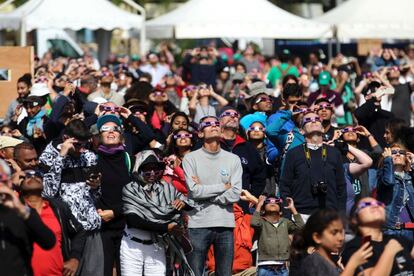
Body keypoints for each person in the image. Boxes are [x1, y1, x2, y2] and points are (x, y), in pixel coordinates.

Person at [39, 119, 104, 275]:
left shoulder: (89, 156)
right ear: (66, 139)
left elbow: (95, 195)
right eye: (78, 145)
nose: (83, 150)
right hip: (69, 231)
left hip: (91, 226)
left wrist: (96, 187)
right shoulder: (47, 156)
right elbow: (48, 192)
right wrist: (61, 157)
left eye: (85, 144)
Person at [182, 115, 242, 276]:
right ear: (200, 133)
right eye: (207, 124)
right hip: (198, 224)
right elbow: (194, 191)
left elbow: (235, 194)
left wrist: (204, 192)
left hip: (225, 224)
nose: (213, 126)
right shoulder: (190, 158)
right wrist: (223, 186)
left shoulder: (233, 159)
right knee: (194, 272)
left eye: (217, 123)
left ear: (222, 131)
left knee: (224, 273)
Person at [121, 150, 193, 275]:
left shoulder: (165, 187)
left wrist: (183, 204)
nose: (152, 173)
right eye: (147, 169)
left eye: (156, 169)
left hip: (157, 246)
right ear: (138, 168)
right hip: (132, 246)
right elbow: (133, 221)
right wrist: (167, 227)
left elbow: (190, 203)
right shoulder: (130, 188)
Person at [280, 112, 346, 219]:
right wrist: (288, 215)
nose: (313, 121)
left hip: (329, 213)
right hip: (300, 213)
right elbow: (285, 186)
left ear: (323, 129)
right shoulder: (293, 153)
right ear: (301, 131)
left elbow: (341, 186)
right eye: (308, 120)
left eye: (317, 119)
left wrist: (341, 215)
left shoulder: (334, 153)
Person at [21, 169, 86, 276]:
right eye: (27, 175)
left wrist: (74, 258)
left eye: (37, 175)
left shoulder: (58, 208)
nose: (33, 177)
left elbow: (80, 231)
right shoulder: (13, 209)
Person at [0, 159, 56, 276]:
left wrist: (21, 210)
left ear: (9, 183)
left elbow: (48, 242)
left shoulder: (22, 211)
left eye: (2, 180)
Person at [95, 114, 131, 276]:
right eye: (105, 129)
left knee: (126, 271)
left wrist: (115, 212)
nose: (110, 132)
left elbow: (136, 196)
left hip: (126, 224)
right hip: (101, 225)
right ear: (99, 135)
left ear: (121, 134)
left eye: (115, 129)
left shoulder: (128, 158)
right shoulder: (92, 158)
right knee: (104, 270)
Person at [342, 197, 414, 275]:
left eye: (379, 204)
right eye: (367, 204)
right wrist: (389, 251)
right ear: (354, 219)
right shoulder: (356, 247)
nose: (376, 206)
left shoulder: (397, 239)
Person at [290, 208, 373, 276]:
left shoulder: (331, 261)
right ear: (317, 237)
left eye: (341, 232)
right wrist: (352, 265)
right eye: (334, 232)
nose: (340, 238)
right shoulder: (313, 262)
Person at [218, 107, 267, 207]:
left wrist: (253, 196)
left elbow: (260, 176)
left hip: (241, 206)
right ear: (220, 121)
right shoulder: (211, 143)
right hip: (215, 204)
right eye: (228, 114)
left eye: (236, 115)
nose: (233, 116)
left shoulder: (248, 147)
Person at [251, 196, 304, 276]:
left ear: (281, 212)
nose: (272, 203)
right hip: (265, 266)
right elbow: (254, 223)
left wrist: (292, 208)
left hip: (282, 267)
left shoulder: (285, 222)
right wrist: (259, 205)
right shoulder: (262, 222)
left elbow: (301, 227)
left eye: (276, 202)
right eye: (269, 202)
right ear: (263, 209)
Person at [377, 145, 414, 242]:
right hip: (391, 230)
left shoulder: (410, 178)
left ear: (406, 158)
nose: (397, 154)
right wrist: (388, 160)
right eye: (393, 153)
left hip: (410, 230)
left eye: (401, 152)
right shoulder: (382, 175)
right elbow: (389, 181)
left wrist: (413, 163)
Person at [164, 128, 196, 195]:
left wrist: (176, 168)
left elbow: (193, 184)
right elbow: (166, 182)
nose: (183, 137)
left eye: (187, 135)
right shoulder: (170, 160)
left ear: (192, 143)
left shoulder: (198, 158)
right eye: (179, 136)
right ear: (175, 144)